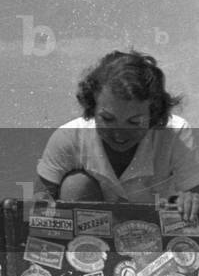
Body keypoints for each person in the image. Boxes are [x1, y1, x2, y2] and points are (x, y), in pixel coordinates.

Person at [35, 50, 199, 220]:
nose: (120, 133)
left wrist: (192, 199)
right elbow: (37, 206)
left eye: (134, 122)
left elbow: (195, 193)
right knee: (75, 185)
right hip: (92, 239)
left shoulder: (175, 133)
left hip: (158, 234)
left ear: (154, 114)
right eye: (108, 119)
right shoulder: (69, 137)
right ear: (92, 107)